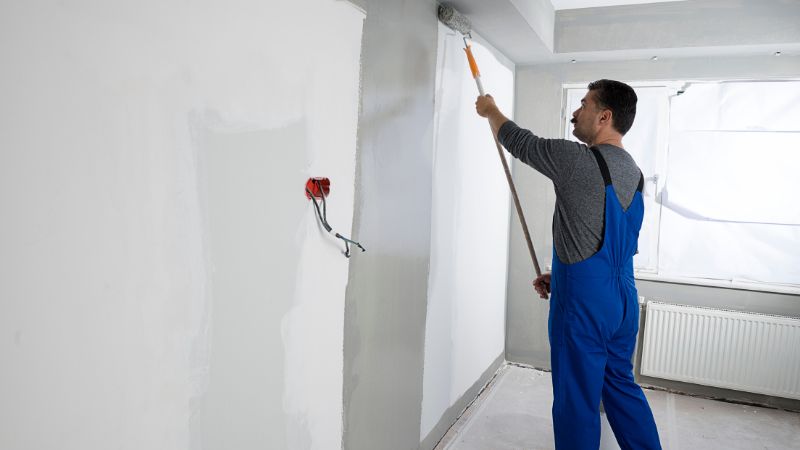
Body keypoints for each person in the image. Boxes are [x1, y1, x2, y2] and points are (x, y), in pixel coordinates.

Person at [475, 79, 662, 450]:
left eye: (584, 104)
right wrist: (561, 278)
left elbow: (519, 141)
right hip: (623, 301)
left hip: (585, 306)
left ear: (604, 116)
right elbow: (603, 241)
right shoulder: (636, 174)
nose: (575, 113)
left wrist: (490, 110)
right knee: (620, 387)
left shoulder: (576, 159)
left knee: (576, 399)